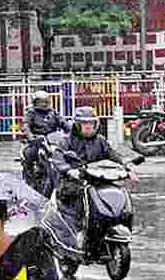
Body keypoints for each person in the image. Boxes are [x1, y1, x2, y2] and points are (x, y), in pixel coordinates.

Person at [50, 106, 137, 259]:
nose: (89, 127)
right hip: (73, 182)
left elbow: (113, 155)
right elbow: (58, 158)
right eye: (85, 124)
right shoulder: (66, 141)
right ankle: (79, 231)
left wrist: (128, 170)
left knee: (115, 192)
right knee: (78, 199)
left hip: (98, 179)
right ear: (77, 125)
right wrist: (70, 170)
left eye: (92, 123)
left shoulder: (100, 141)